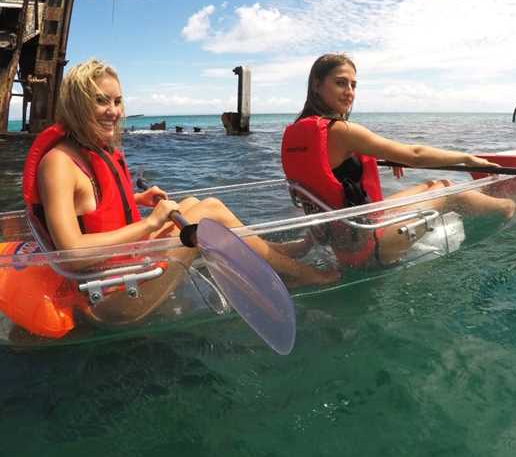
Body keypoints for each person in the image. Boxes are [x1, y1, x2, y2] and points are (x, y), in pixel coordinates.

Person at [28, 58, 339, 327]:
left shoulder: (89, 150)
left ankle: (276, 254)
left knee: (197, 204)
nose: (114, 111)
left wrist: (136, 200)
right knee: (208, 214)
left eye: (117, 101)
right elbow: (72, 254)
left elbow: (91, 207)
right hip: (107, 297)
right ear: (76, 104)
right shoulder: (59, 163)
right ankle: (296, 272)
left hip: (124, 268)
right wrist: (149, 224)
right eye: (100, 101)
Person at [281, 53, 516, 268]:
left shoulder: (295, 133)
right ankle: (508, 207)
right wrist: (467, 159)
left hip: (336, 240)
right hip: (368, 246)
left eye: (353, 85)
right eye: (340, 83)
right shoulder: (341, 131)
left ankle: (487, 202)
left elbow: (333, 167)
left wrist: (379, 155)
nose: (350, 92)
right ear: (317, 85)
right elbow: (415, 154)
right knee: (446, 192)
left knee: (432, 185)